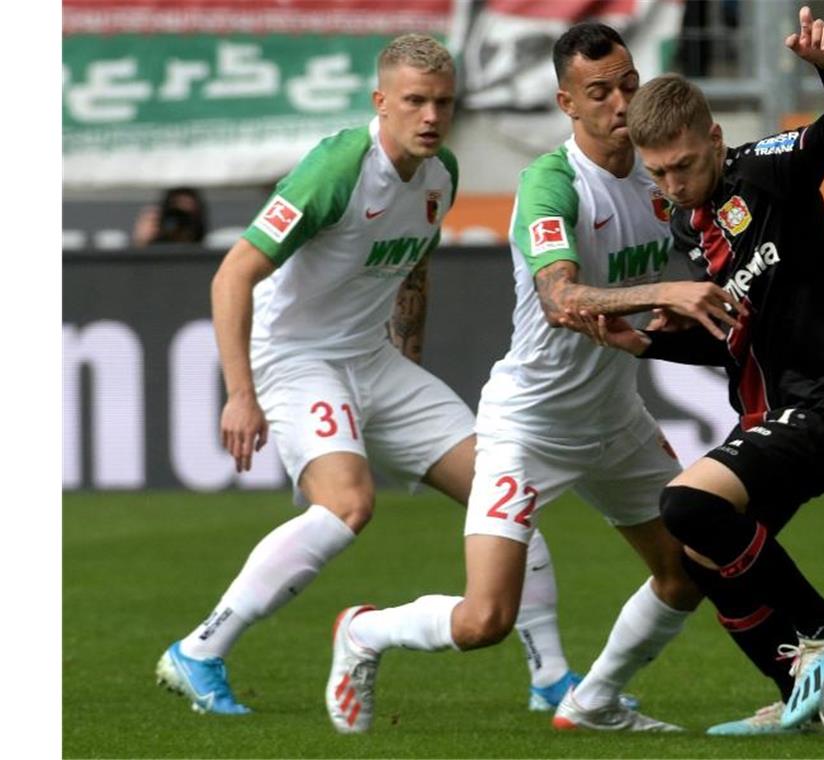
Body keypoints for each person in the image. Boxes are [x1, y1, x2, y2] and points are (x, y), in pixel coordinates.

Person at [323, 23, 743, 734]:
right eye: (600, 93)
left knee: (686, 573)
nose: (620, 104)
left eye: (629, 85)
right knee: (485, 619)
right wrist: (662, 295)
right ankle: (364, 630)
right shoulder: (552, 181)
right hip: (529, 427)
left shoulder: (657, 173)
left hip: (615, 423)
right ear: (567, 103)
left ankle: (594, 701)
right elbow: (561, 300)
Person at [155, 33, 582, 717]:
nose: (431, 116)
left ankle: (552, 679)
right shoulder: (337, 167)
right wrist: (241, 393)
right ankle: (200, 650)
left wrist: (404, 361)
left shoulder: (440, 172)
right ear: (380, 102)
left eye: (442, 102)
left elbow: (411, 266)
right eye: (414, 101)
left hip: (373, 361)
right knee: (348, 503)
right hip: (295, 357)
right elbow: (234, 272)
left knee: (505, 486)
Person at [586, 5, 824, 736]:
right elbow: (732, 338)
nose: (675, 183)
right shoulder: (691, 226)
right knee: (700, 556)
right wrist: (644, 343)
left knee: (685, 506)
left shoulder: (770, 172)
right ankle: (800, 698)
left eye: (685, 164)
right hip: (775, 417)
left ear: (714, 139)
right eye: (659, 172)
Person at [132, 187, 208, 246]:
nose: (180, 222)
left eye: (186, 218)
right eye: (175, 215)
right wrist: (141, 243)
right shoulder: (153, 242)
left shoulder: (210, 253)